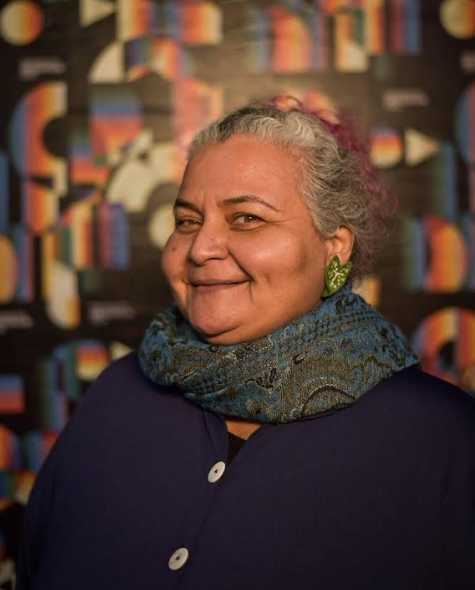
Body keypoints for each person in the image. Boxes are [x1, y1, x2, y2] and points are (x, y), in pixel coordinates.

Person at [17, 99, 475, 589]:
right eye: (187, 221)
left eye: (247, 219)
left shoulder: (443, 438)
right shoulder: (118, 393)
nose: (200, 248)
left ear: (334, 248)